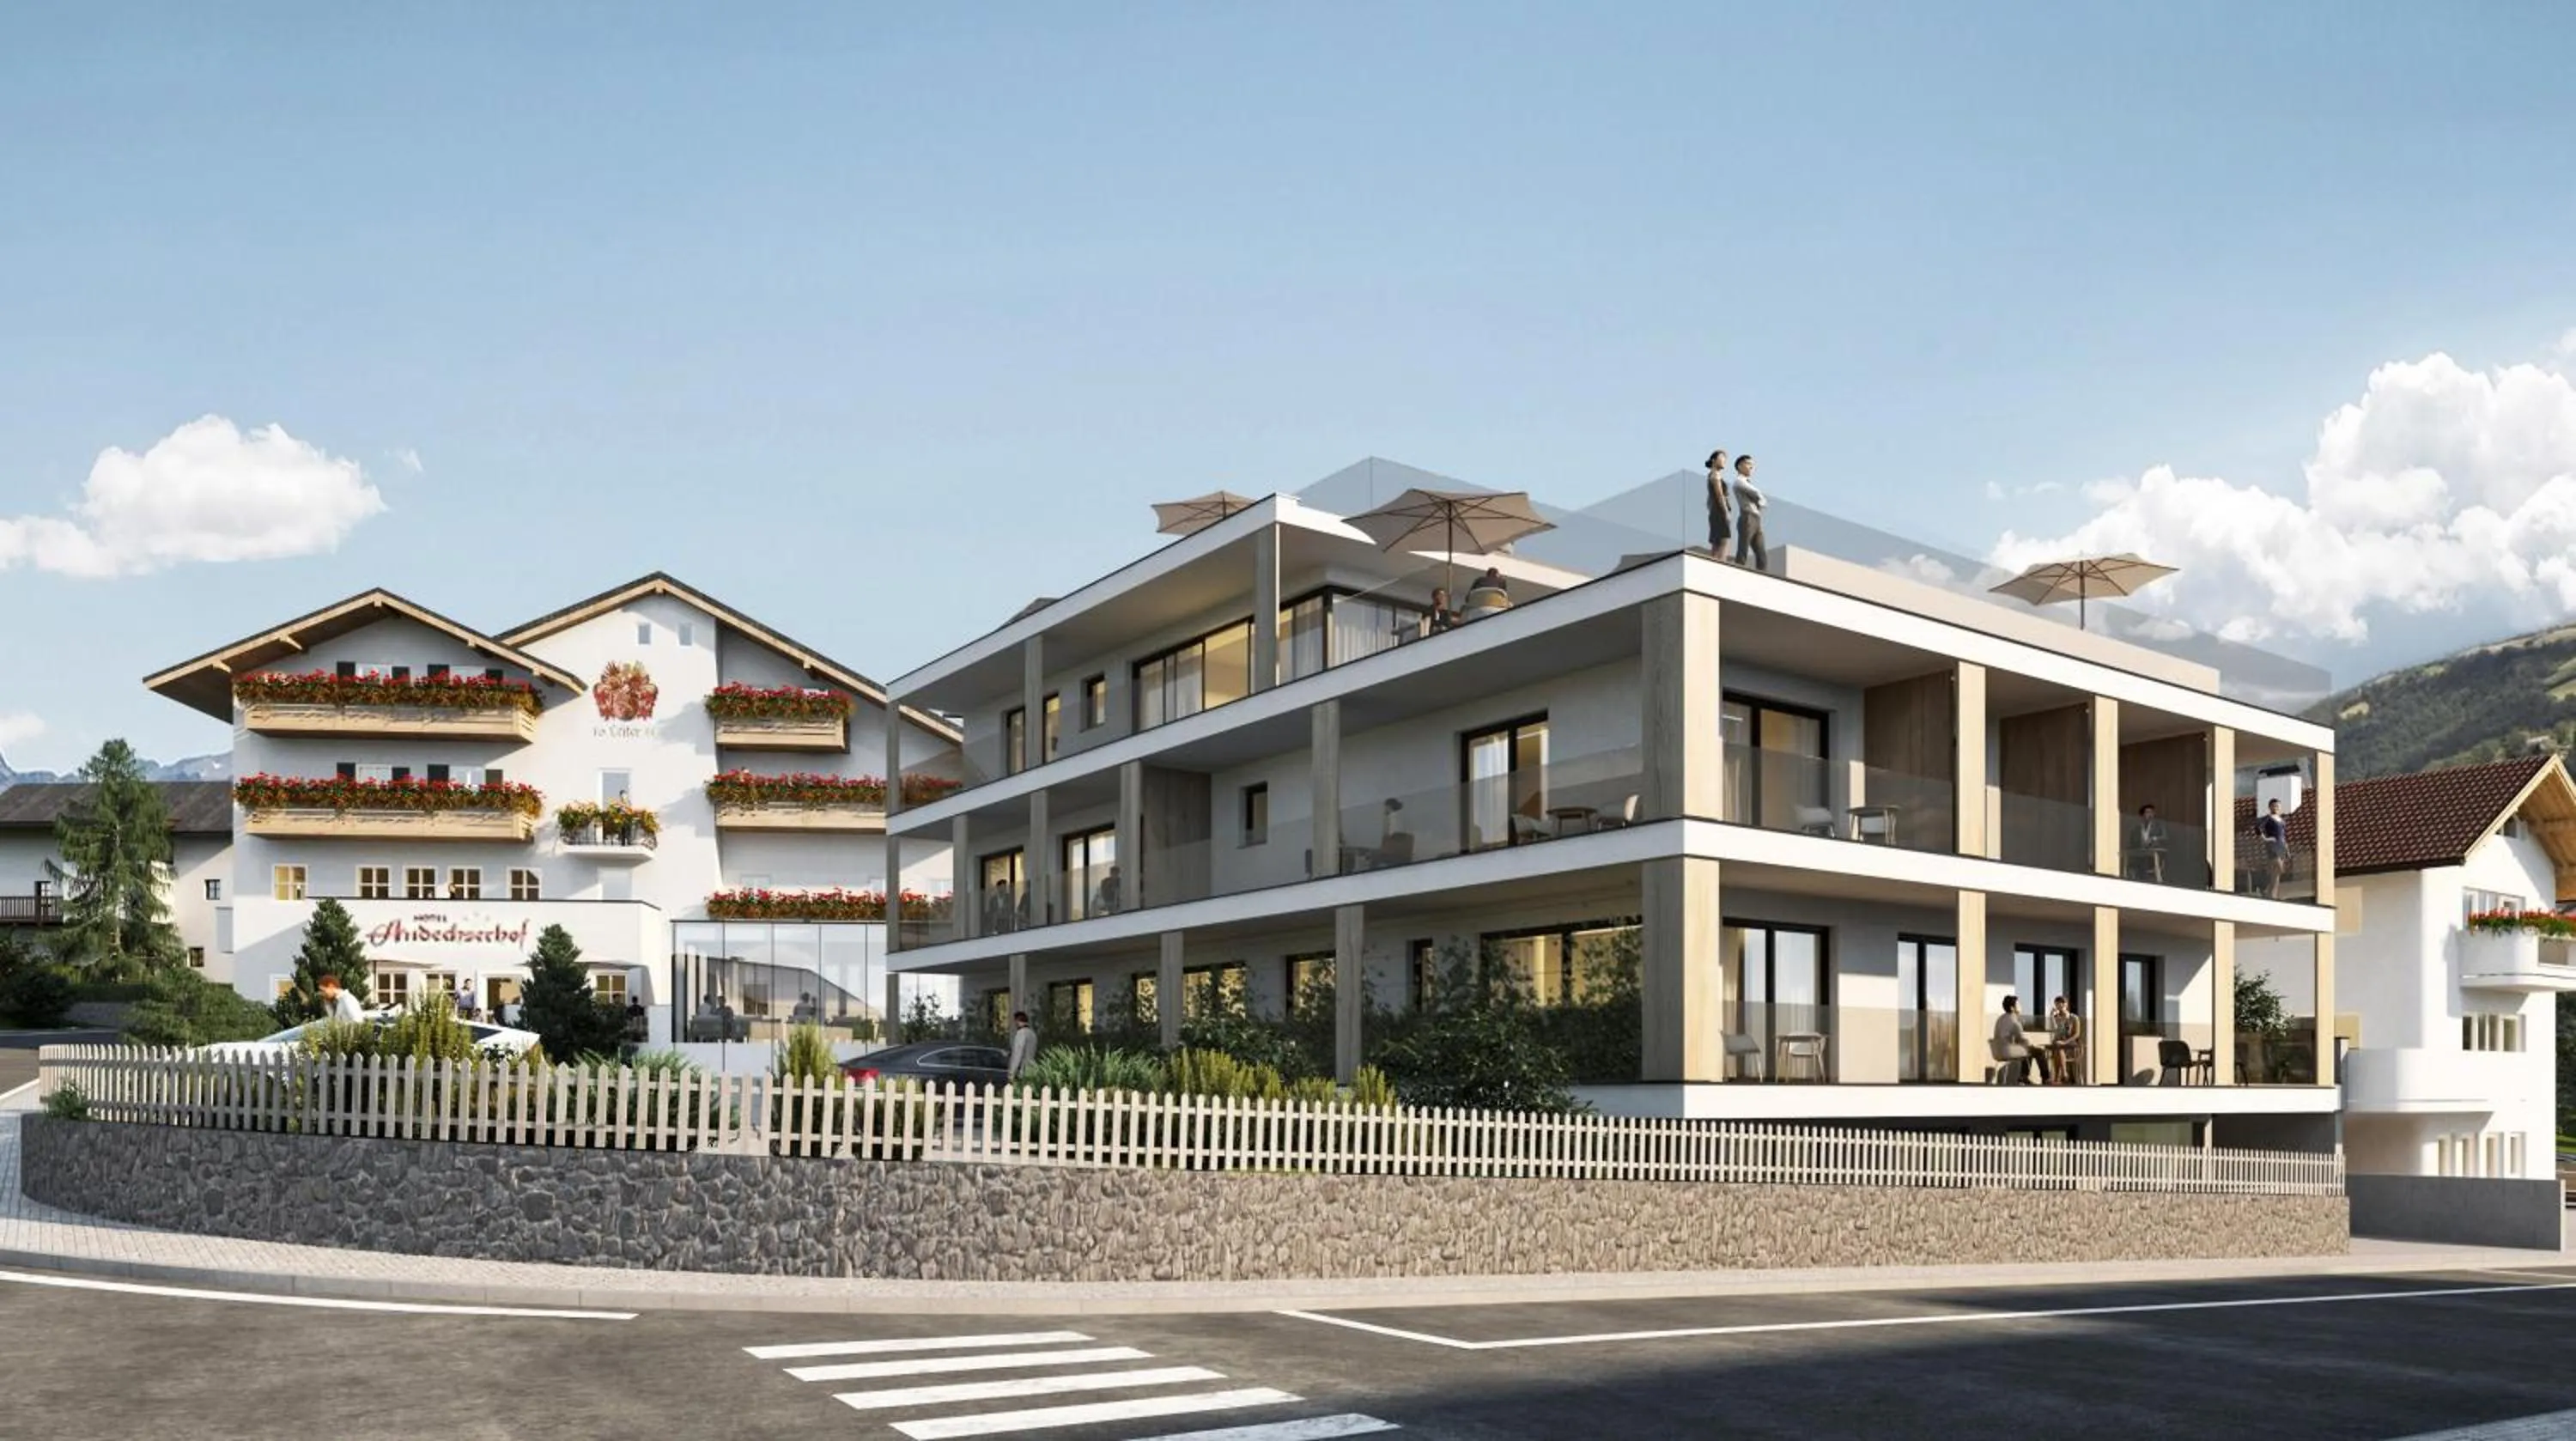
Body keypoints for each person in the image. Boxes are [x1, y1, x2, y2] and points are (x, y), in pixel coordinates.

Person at [1731, 454, 1770, 570]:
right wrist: (1761, 501)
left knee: (1762, 554)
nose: (1751, 467)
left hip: (1756, 519)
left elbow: (1760, 499)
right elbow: (1757, 493)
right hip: (1747, 517)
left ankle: (1763, 578)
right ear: (1739, 466)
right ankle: (1737, 573)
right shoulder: (1739, 482)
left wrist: (1761, 502)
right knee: (1743, 550)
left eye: (1752, 465)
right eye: (1748, 464)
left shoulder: (1747, 482)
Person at [1991, 994, 2039, 1085]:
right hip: (2008, 1051)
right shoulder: (2014, 1020)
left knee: (2027, 1050)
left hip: (1998, 1050)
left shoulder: (2001, 1018)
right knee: (2038, 1051)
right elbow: (2023, 1039)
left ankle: (2023, 1076)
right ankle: (2045, 1078)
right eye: (2018, 1004)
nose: (2021, 1006)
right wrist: (2032, 1045)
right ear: (2012, 1008)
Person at [2255, 798, 2291, 897]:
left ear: (2280, 807)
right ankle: (2265, 889)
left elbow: (2284, 835)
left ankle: (2272, 895)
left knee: (2276, 875)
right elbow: (2257, 827)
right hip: (2272, 845)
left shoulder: (2282, 821)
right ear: (2270, 807)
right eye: (2274, 806)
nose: (2276, 807)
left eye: (2277, 806)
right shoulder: (2268, 818)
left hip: (2282, 846)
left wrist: (2287, 849)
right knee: (2279, 868)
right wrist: (2265, 839)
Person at [1704, 449, 1735, 556]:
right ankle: (1721, 567)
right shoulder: (1715, 475)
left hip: (1715, 512)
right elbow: (1720, 495)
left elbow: (1709, 500)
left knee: (1716, 545)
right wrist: (1726, 512)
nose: (1724, 461)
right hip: (1719, 512)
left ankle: (1713, 567)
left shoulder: (1711, 476)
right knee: (1723, 542)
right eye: (1722, 458)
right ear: (1714, 460)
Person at [2129, 802, 2171, 881]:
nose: (2150, 814)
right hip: (2139, 855)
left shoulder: (2159, 826)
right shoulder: (2137, 829)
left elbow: (2165, 838)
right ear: (2142, 815)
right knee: (2136, 866)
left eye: (2151, 812)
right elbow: (2133, 842)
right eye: (2147, 812)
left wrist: (2154, 839)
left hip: (2154, 856)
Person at [2044, 994, 2079, 1085]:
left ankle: (2058, 1077)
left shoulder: (2074, 1017)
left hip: (2070, 1042)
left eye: (2062, 1005)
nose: (2060, 1007)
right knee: (2058, 1047)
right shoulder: (2056, 1018)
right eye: (2057, 1005)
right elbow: (2054, 1030)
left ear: (2066, 1005)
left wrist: (2064, 1042)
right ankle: (2064, 1075)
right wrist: (2051, 1017)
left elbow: (2076, 1034)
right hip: (2058, 1043)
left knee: (2058, 1046)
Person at [1005, 1010, 1037, 1080]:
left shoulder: (1021, 1034)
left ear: (1017, 1021)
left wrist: (1012, 1073)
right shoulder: (1032, 1034)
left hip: (1022, 1071)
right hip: (1032, 1069)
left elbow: (1018, 1053)